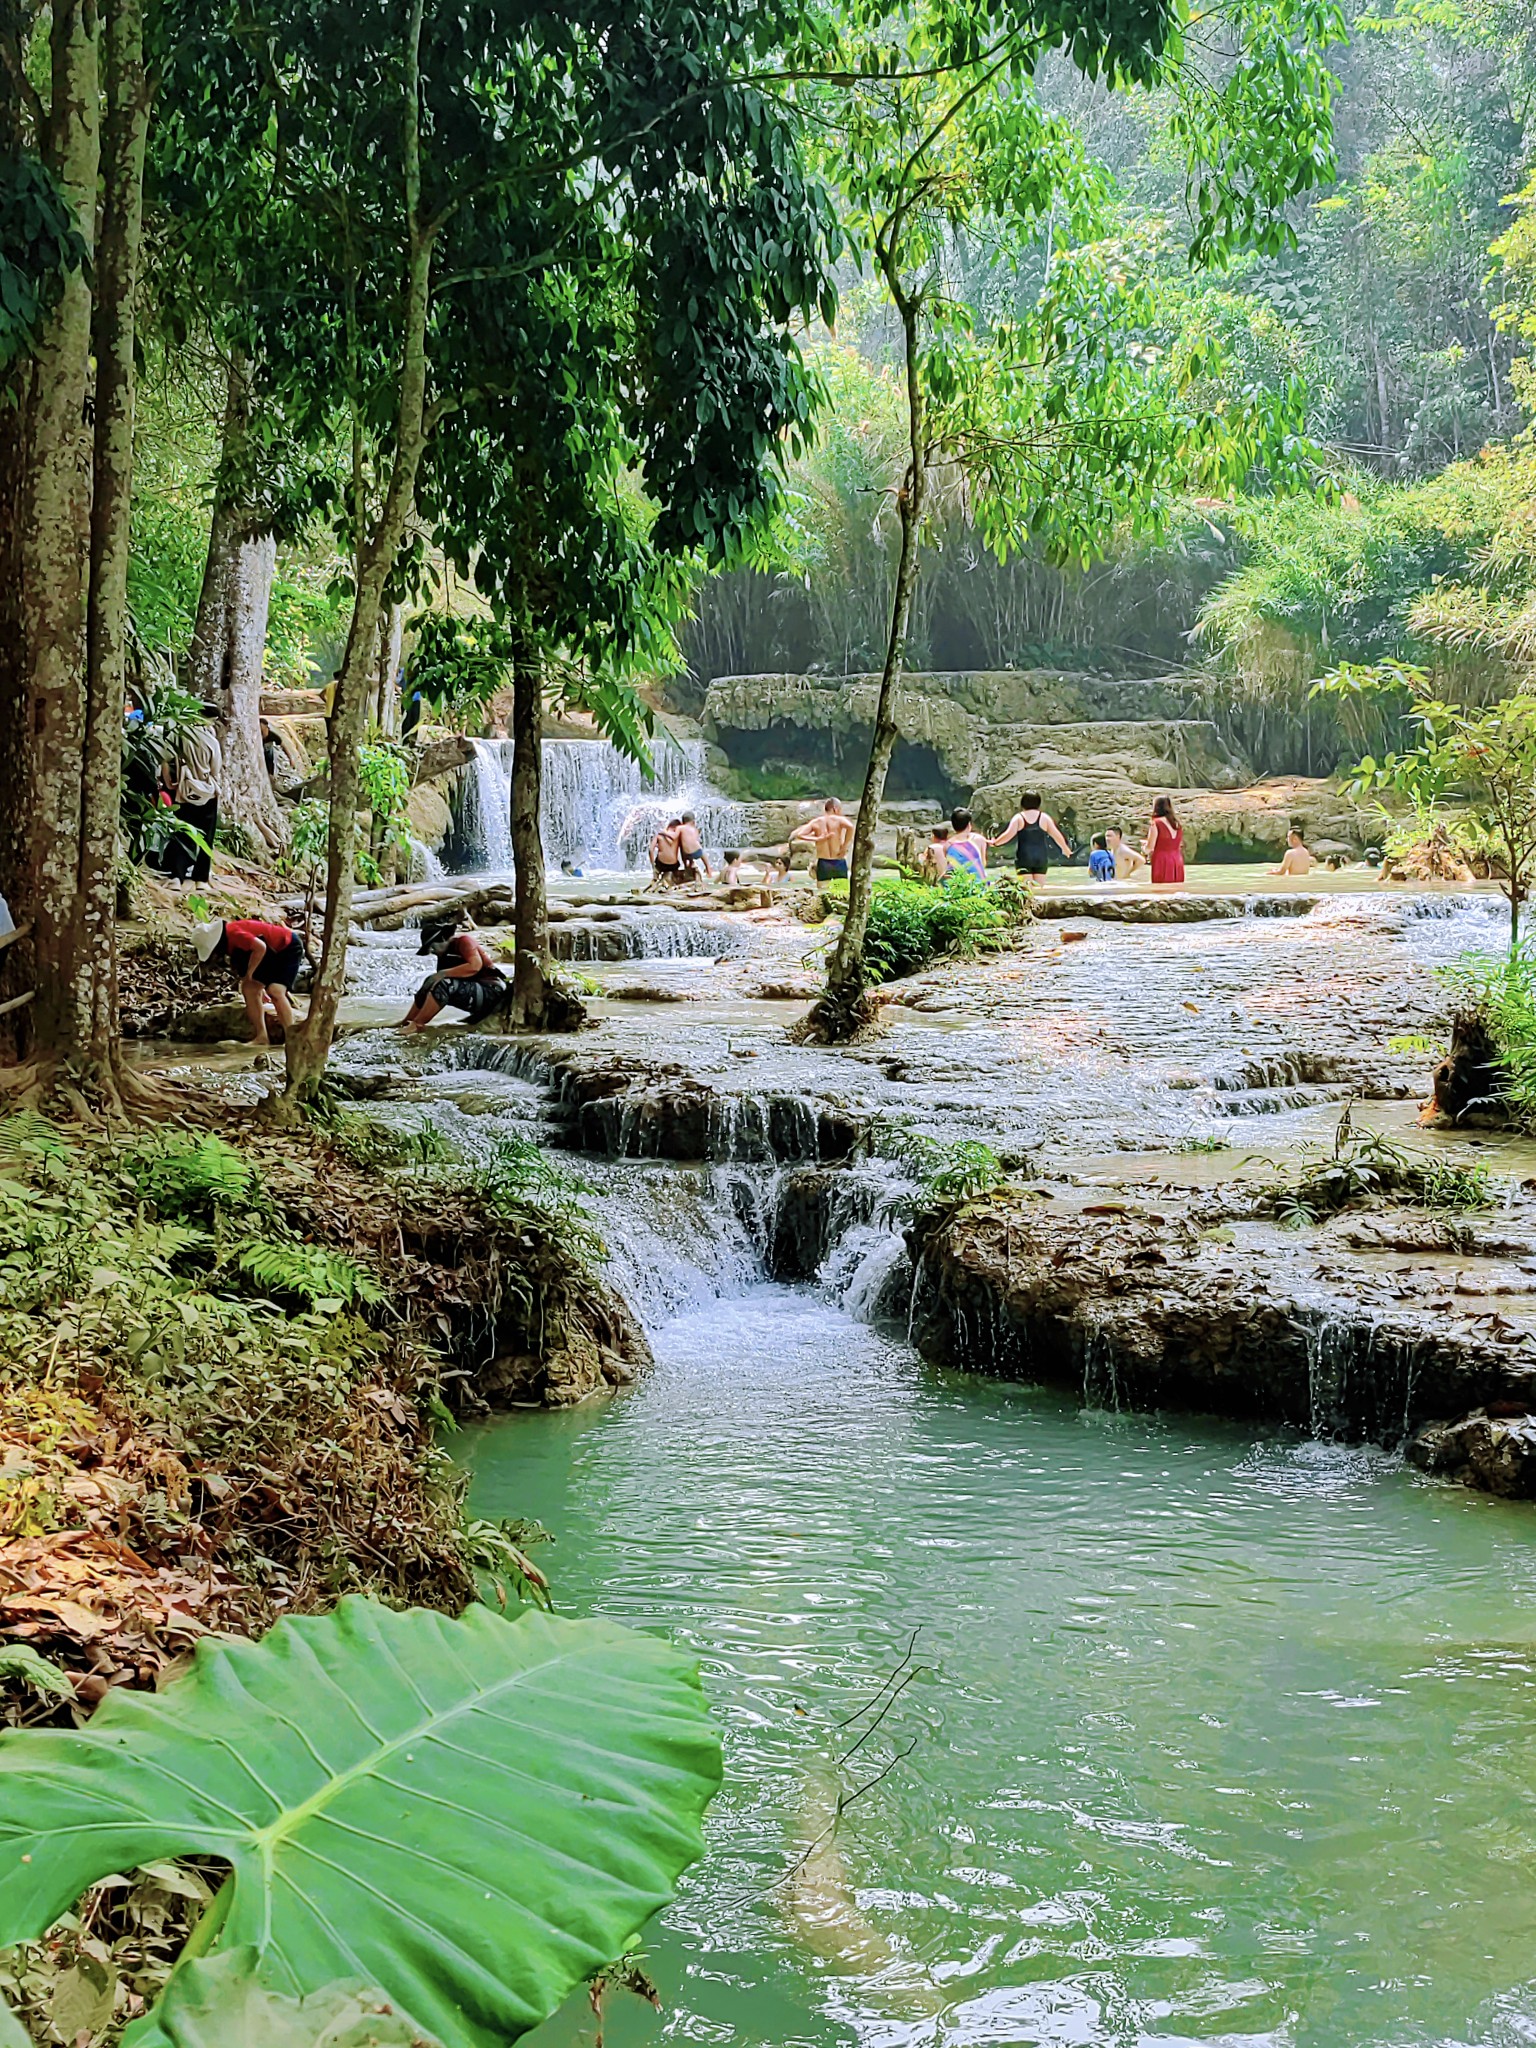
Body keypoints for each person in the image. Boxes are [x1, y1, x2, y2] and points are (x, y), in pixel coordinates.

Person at [193, 917, 306, 1045]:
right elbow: (248, 960)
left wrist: (250, 974)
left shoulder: (233, 933)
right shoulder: (230, 943)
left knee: (276, 991)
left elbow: (260, 947)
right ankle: (262, 1037)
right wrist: (253, 982)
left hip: (287, 947)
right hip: (270, 952)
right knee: (249, 989)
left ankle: (291, 1038)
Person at [398, 917, 508, 1032]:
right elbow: (433, 988)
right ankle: (407, 1022)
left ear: (442, 938)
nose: (432, 951)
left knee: (444, 984)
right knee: (429, 982)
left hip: (493, 992)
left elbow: (475, 966)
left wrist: (443, 973)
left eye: (432, 947)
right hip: (476, 992)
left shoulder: (464, 941)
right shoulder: (443, 957)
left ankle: (418, 1024)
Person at [162, 720, 222, 883]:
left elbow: (165, 759)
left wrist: (168, 782)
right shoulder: (211, 741)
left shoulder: (178, 735)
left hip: (183, 791)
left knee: (181, 832)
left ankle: (177, 875)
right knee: (206, 836)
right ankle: (201, 877)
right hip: (206, 793)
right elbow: (215, 770)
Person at [990, 792, 1071, 878]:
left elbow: (1008, 835)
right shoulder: (1044, 817)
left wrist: (995, 842)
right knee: (1039, 888)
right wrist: (1065, 849)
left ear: (1022, 803)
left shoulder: (1019, 818)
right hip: (1041, 858)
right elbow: (1056, 835)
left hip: (1024, 858)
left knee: (1027, 889)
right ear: (1039, 803)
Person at [789, 798, 856, 884]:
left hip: (823, 862)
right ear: (835, 808)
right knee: (841, 892)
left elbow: (800, 835)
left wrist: (818, 838)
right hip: (838, 860)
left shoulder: (816, 822)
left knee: (822, 891)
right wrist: (844, 846)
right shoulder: (839, 819)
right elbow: (850, 827)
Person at [1145, 795, 1185, 884]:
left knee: (1160, 892)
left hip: (1161, 860)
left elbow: (1150, 847)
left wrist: (1144, 849)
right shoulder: (1177, 824)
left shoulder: (1156, 823)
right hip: (1177, 859)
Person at [944, 807, 988, 879]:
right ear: (969, 825)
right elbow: (983, 863)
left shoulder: (948, 844)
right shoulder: (979, 839)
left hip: (959, 884)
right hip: (979, 884)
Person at [677, 812, 713, 881]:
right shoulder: (694, 829)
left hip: (686, 854)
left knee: (682, 847)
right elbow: (696, 840)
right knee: (702, 852)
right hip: (697, 852)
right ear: (693, 822)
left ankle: (687, 866)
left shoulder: (680, 828)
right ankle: (708, 869)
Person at [650, 819, 684, 886]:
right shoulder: (678, 837)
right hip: (673, 865)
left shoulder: (659, 835)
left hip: (661, 864)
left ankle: (656, 874)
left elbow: (650, 850)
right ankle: (668, 877)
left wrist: (653, 866)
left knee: (657, 866)